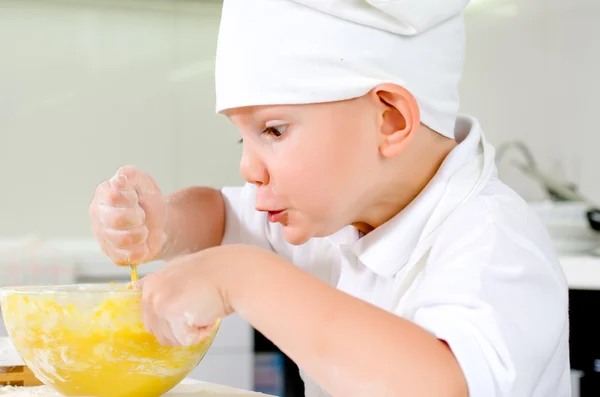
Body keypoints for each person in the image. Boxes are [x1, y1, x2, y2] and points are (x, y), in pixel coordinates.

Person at [88, 1, 571, 396]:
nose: (247, 168)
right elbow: (217, 214)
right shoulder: (334, 216)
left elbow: (444, 384)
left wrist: (245, 277)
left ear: (391, 121)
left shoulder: (494, 241)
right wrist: (164, 223)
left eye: (273, 130)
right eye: (243, 140)